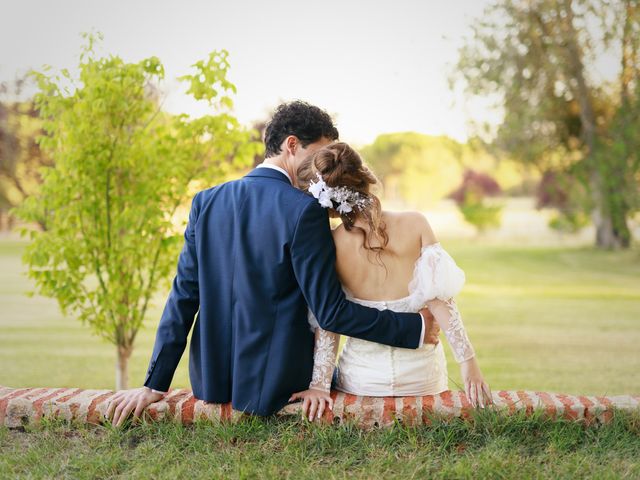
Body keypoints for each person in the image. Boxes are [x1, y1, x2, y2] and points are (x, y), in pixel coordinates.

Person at [105, 101, 440, 427]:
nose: (322, 171)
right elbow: (330, 312)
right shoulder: (304, 210)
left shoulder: (205, 202)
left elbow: (183, 298)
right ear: (291, 145)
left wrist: (154, 385)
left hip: (211, 381)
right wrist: (416, 327)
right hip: (278, 383)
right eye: (318, 155)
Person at [289, 142, 493, 421]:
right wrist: (468, 363)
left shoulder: (332, 244)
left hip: (362, 380)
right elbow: (441, 301)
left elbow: (329, 323)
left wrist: (319, 385)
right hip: (422, 379)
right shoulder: (416, 224)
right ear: (366, 177)